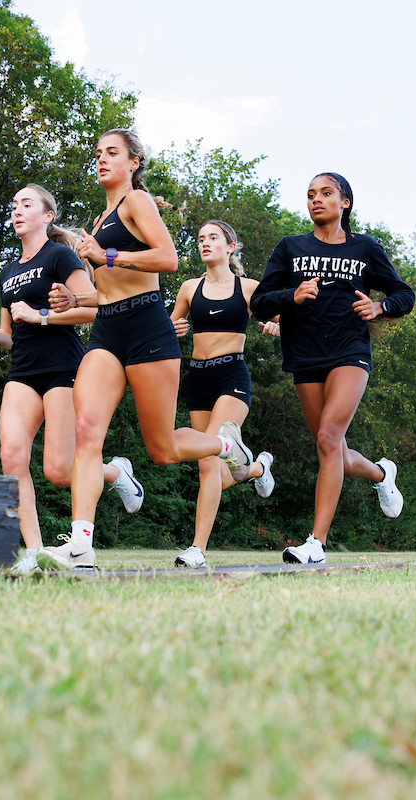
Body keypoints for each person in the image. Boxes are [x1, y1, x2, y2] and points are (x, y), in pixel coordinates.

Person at [38, 129, 254, 570]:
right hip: (107, 330)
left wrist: (108, 256)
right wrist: (74, 299)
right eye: (97, 153)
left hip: (146, 327)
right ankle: (80, 544)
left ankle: (224, 445)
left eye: (112, 152)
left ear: (133, 162)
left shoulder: (136, 201)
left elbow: (167, 259)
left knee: (162, 449)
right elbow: (106, 292)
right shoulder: (99, 219)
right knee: (86, 430)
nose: (101, 159)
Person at [0, 184, 145, 576]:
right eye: (13, 205)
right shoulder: (7, 272)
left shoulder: (59, 255)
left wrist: (42, 316)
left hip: (62, 367)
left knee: (59, 471)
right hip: (22, 371)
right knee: (11, 457)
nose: (17, 210)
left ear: (47, 216)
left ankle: (117, 472)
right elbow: (10, 334)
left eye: (26, 204)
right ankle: (33, 551)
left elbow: (95, 308)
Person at [250, 172, 415, 564]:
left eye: (326, 193)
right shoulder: (290, 247)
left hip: (349, 351)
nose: (316, 199)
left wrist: (380, 306)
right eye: (310, 194)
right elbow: (258, 303)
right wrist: (292, 295)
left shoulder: (365, 248)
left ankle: (316, 545)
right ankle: (381, 474)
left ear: (345, 202)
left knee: (327, 438)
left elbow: (404, 294)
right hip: (304, 356)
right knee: (332, 450)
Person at [168, 220, 279, 568]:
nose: (205, 243)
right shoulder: (189, 288)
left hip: (231, 375)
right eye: (201, 238)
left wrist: (276, 325)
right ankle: (256, 468)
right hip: (198, 378)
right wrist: (173, 329)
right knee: (212, 469)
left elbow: (283, 317)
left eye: (213, 237)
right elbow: (168, 329)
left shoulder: (249, 288)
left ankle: (197, 550)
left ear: (230, 246)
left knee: (208, 462)